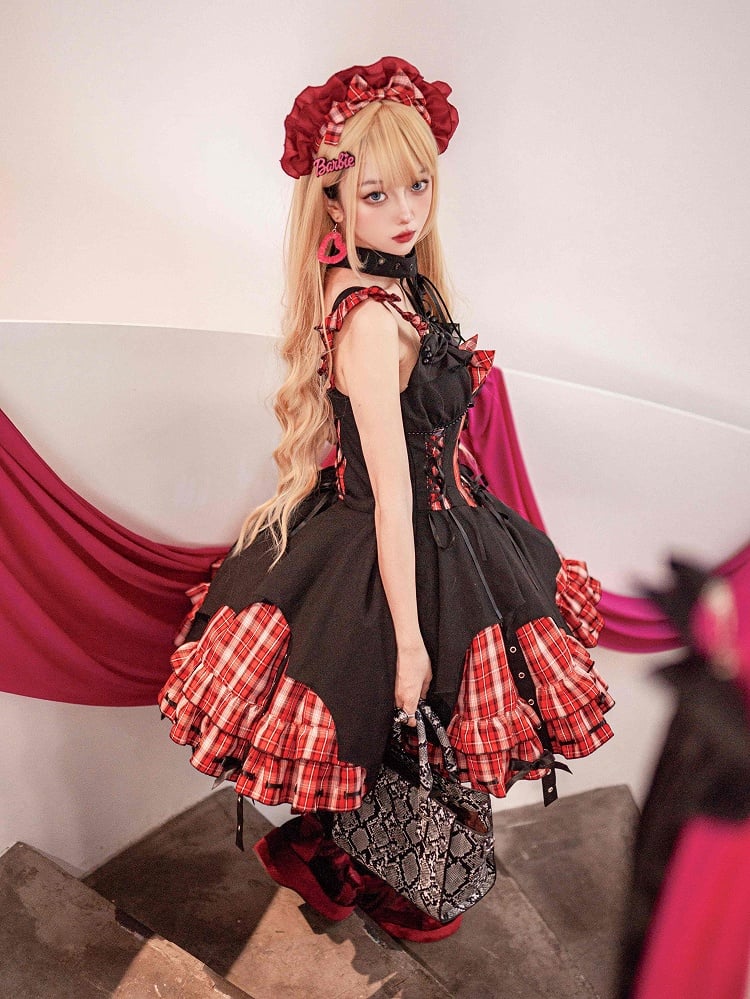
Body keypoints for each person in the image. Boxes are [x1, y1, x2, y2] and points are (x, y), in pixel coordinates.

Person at [159, 56, 614, 942]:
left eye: (418, 185)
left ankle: (357, 865)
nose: (406, 211)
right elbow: (395, 497)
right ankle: (363, 870)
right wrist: (408, 639)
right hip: (396, 543)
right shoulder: (369, 316)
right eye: (376, 194)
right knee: (399, 722)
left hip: (444, 527)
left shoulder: (394, 281)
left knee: (402, 735)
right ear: (333, 202)